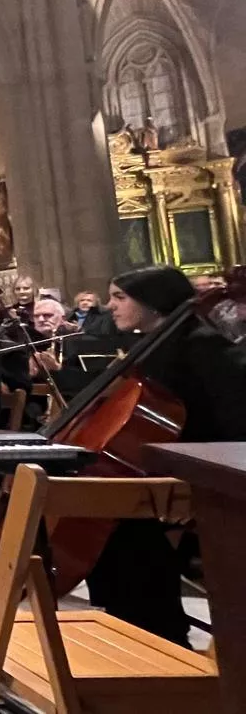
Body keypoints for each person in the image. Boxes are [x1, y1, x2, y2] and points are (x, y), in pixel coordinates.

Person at [86, 266, 246, 645]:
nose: (110, 306)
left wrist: (196, 480)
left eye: (120, 297)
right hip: (161, 469)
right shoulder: (158, 343)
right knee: (103, 518)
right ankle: (132, 628)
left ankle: (160, 635)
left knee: (120, 527)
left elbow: (233, 424)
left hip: (204, 475)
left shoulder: (202, 346)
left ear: (154, 303)